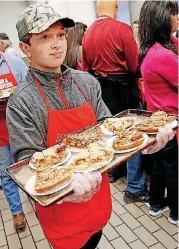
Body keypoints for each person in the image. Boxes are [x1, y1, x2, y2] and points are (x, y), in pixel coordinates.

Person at [6, 3, 175, 248]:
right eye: (44, 37)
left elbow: (109, 130)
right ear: (25, 48)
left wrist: (145, 144)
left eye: (61, 35)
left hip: (97, 199)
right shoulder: (21, 101)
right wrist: (65, 190)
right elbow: (27, 162)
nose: (57, 43)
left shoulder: (86, 82)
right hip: (62, 213)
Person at [82, 0, 148, 204]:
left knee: (109, 132)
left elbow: (85, 68)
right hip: (123, 89)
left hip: (101, 90)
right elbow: (133, 64)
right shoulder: (121, 29)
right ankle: (135, 187)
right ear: (116, 6)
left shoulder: (88, 33)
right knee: (131, 134)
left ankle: (114, 172)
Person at [139, 0, 178, 224]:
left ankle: (156, 204)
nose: (177, 18)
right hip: (171, 122)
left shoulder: (153, 48)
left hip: (158, 119)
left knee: (160, 166)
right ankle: (176, 212)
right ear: (162, 19)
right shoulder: (162, 55)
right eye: (174, 14)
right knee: (173, 169)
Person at [0, 34, 27, 229]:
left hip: (21, 126)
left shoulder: (14, 62)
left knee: (30, 165)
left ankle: (38, 197)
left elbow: (29, 87)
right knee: (6, 172)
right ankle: (17, 211)